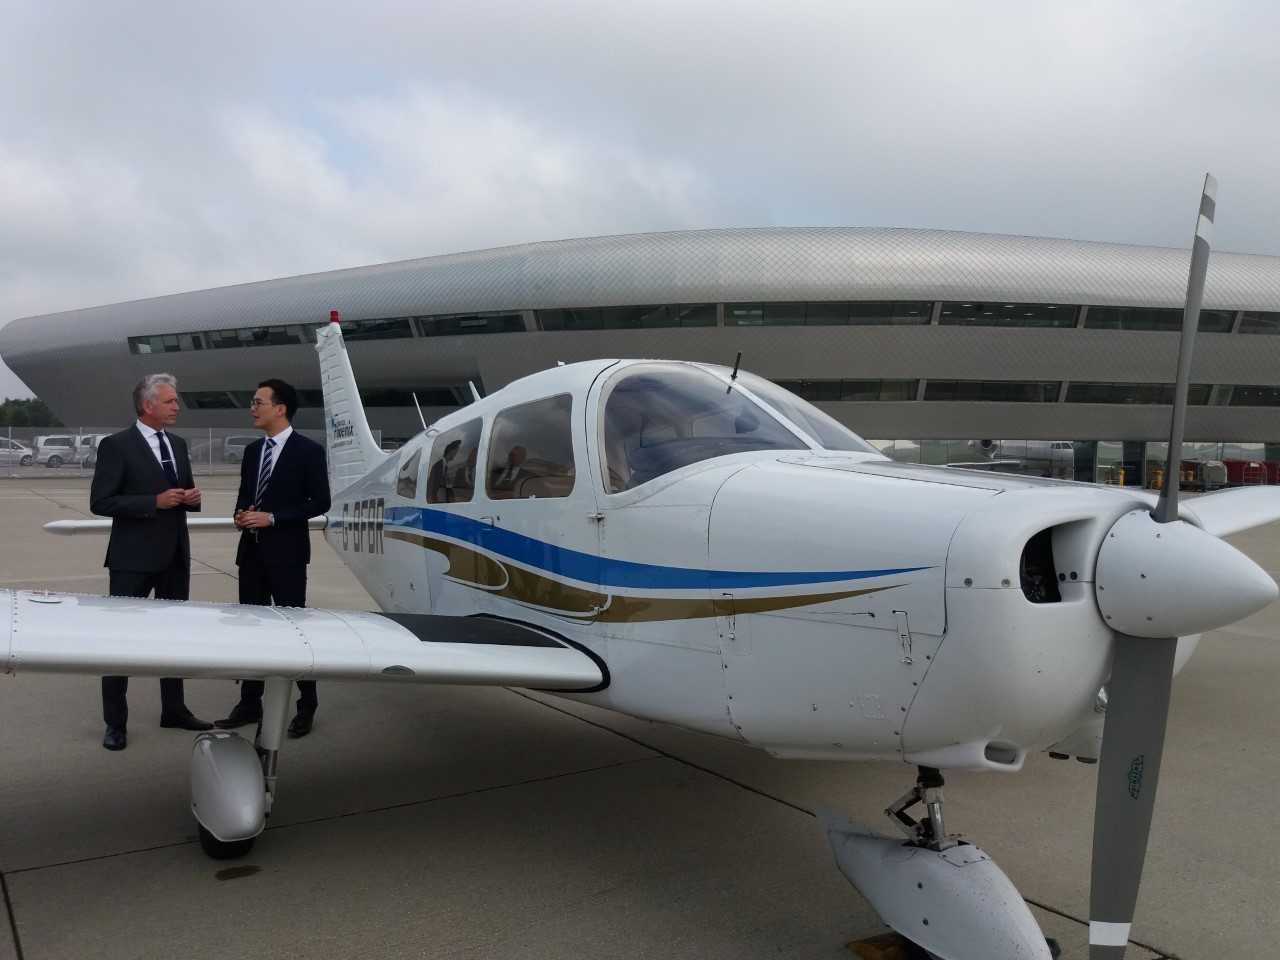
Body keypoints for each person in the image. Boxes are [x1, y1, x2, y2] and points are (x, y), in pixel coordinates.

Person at [89, 373, 212, 750]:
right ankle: (116, 723)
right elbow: (101, 502)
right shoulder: (117, 446)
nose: (177, 406)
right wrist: (152, 503)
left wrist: (192, 497)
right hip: (132, 559)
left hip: (175, 556)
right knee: (119, 642)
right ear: (148, 405)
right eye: (171, 401)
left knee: (174, 637)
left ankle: (173, 710)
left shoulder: (177, 443)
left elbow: (184, 494)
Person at [215, 379, 330, 737]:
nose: (253, 408)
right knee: (251, 632)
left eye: (258, 402)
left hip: (288, 556)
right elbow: (244, 495)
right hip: (250, 554)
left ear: (280, 409)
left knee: (295, 633)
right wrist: (240, 515)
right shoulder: (252, 452)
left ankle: (306, 704)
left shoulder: (308, 451)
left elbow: (320, 502)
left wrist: (274, 518)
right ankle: (250, 702)